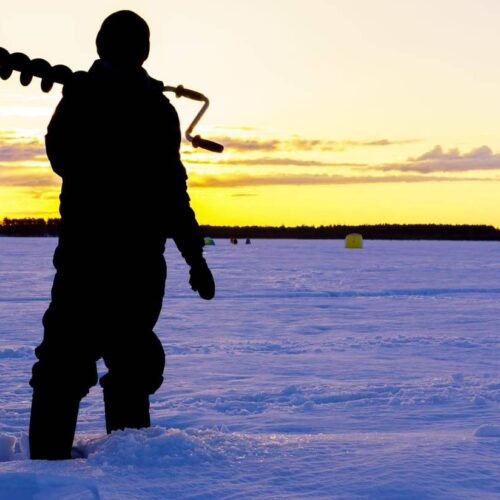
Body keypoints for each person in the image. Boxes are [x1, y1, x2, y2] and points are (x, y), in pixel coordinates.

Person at [29, 10, 215, 460]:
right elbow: (63, 156)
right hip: (90, 260)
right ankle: (47, 470)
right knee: (63, 365)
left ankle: (129, 470)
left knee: (129, 364)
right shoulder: (85, 98)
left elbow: (173, 192)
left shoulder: (155, 109)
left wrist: (195, 256)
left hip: (132, 265)